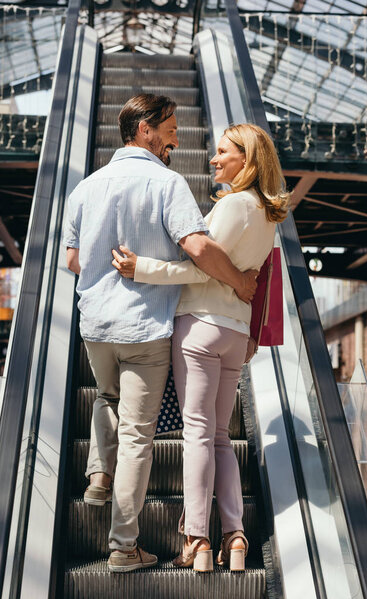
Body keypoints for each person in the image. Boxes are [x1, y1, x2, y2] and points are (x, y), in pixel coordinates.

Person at [63, 95, 258, 573]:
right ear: (145, 130)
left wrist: (102, 278)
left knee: (107, 396)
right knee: (137, 436)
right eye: (171, 128)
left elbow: (72, 259)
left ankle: (97, 475)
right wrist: (238, 281)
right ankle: (124, 547)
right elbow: (196, 246)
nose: (178, 138)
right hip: (144, 326)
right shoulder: (167, 184)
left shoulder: (84, 188)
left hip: (95, 324)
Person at [111, 123, 290, 572]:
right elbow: (250, 278)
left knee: (196, 434)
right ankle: (235, 536)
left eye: (223, 152)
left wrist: (143, 268)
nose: (213, 159)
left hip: (201, 327)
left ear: (246, 161)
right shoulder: (268, 216)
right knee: (219, 437)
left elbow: (201, 269)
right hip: (233, 333)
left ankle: (196, 539)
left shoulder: (233, 205)